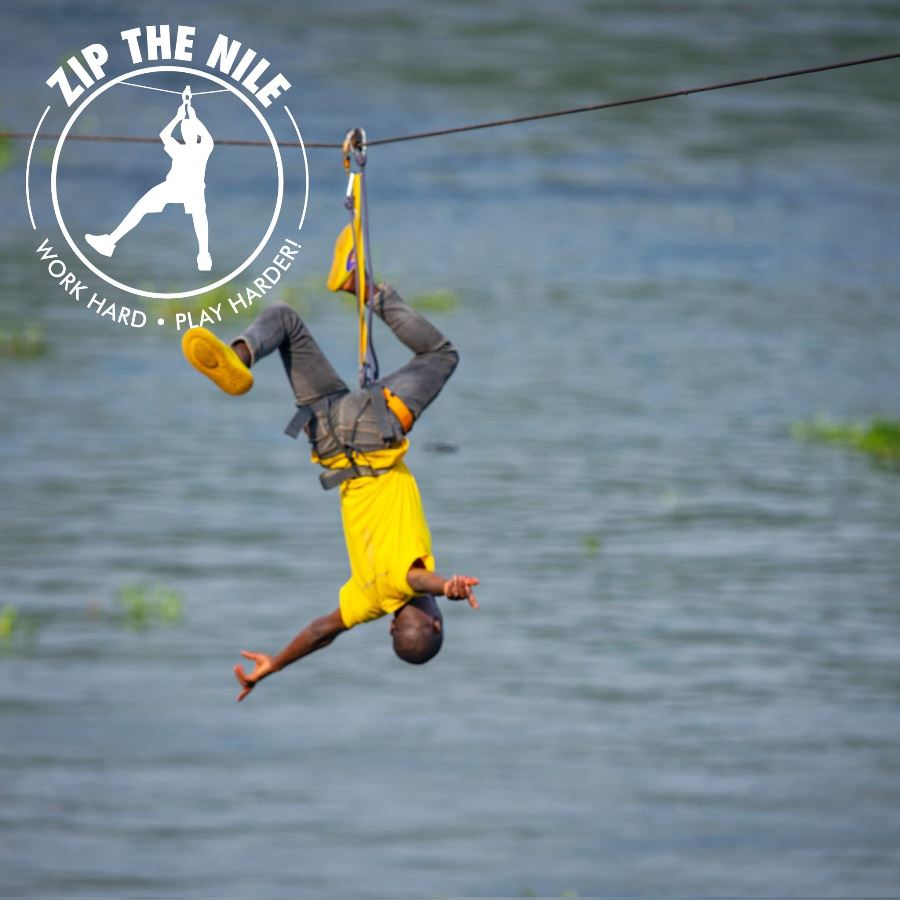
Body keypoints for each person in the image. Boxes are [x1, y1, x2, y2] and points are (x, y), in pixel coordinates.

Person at [181, 233, 479, 702]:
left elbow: (418, 581)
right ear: (389, 631)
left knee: (441, 356)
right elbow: (322, 631)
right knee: (283, 319)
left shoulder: (407, 581)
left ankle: (362, 286)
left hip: (372, 431)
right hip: (326, 437)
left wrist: (450, 585)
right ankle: (238, 358)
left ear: (436, 618)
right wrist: (272, 666)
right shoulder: (365, 603)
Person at [85, 88, 215, 272]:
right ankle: (204, 256)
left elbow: (164, 135)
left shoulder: (179, 148)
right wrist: (193, 116)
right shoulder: (203, 149)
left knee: (141, 208)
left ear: (186, 135)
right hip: (191, 189)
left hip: (175, 187)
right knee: (199, 217)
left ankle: (110, 241)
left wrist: (179, 117)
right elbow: (207, 137)